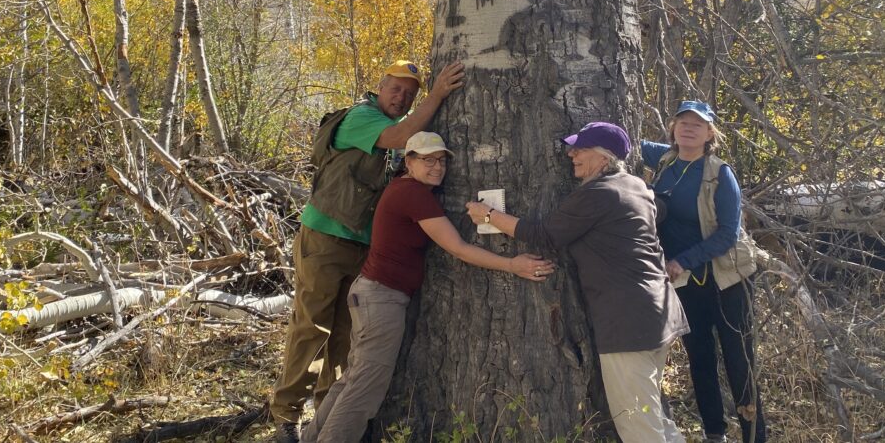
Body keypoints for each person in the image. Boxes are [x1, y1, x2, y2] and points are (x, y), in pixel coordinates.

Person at [300, 132, 554, 443]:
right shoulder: (412, 193)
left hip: (372, 295)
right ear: (408, 162)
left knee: (353, 380)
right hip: (380, 299)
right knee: (365, 388)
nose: (437, 167)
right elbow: (458, 248)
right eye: (427, 160)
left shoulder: (407, 190)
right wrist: (512, 265)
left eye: (442, 160)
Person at [271, 61, 465, 443]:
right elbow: (401, 134)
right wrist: (438, 93)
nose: (402, 97)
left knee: (344, 333)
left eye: (409, 94)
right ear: (378, 87)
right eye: (396, 89)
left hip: (361, 246)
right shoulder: (363, 117)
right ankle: (286, 416)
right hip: (325, 236)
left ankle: (328, 414)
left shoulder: (397, 126)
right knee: (312, 326)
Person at [466, 122, 689, 443]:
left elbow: (543, 235)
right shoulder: (635, 185)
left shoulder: (600, 193)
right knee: (655, 417)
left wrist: (488, 216)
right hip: (659, 312)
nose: (571, 154)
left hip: (628, 323)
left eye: (580, 149)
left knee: (640, 426)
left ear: (603, 158)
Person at [642, 101, 767, 443]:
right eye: (682, 121)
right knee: (700, 359)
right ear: (673, 127)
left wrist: (684, 260)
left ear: (710, 133)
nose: (688, 128)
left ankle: (755, 436)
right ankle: (715, 434)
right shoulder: (664, 160)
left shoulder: (719, 173)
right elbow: (624, 142)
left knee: (739, 364)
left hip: (727, 281)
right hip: (685, 284)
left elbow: (728, 234)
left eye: (697, 124)